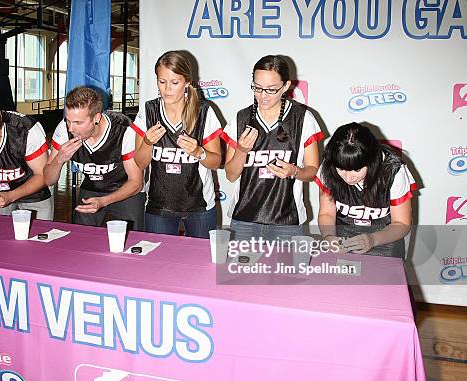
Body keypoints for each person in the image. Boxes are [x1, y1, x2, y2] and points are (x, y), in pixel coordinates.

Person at [223, 55, 323, 241]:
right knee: (241, 270)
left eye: (271, 90)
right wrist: (242, 151)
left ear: (285, 86)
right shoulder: (241, 118)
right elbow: (230, 175)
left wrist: (293, 171)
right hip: (244, 219)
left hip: (287, 221)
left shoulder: (303, 118)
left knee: (285, 271)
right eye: (257, 88)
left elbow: (312, 171)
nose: (262, 95)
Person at [132, 50, 223, 238]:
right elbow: (140, 163)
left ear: (187, 82)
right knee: (158, 263)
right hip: (159, 205)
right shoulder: (149, 110)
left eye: (174, 83)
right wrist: (148, 142)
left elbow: (216, 162)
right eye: (162, 82)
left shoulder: (204, 112)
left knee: (201, 263)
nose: (167, 89)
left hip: (199, 205)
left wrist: (199, 151)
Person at [44, 86, 144, 230]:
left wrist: (103, 201)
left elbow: (136, 183)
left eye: (78, 122)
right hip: (92, 186)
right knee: (81, 237)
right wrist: (59, 160)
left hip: (126, 188)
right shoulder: (64, 130)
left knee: (132, 240)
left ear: (96, 118)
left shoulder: (124, 130)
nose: (71, 128)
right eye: (68, 120)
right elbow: (48, 179)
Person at [316, 122, 416, 257]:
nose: (348, 178)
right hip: (343, 240)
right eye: (341, 169)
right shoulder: (328, 167)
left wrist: (372, 240)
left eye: (357, 170)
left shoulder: (394, 171)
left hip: (386, 239)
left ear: (372, 160)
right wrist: (329, 237)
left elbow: (402, 223)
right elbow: (326, 213)